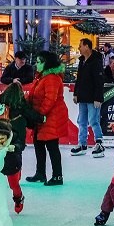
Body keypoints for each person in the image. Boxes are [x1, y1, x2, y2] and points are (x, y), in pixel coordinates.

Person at [0, 81, 43, 213]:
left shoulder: (2, 109)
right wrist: (41, 118)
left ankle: (4, 201)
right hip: (13, 151)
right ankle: (18, 199)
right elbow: (32, 116)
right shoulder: (22, 112)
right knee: (13, 182)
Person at [27, 51, 68, 187]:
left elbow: (50, 99)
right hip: (42, 117)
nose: (36, 64)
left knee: (52, 146)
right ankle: (40, 173)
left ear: (46, 63)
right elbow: (34, 96)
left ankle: (57, 176)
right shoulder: (42, 78)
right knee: (38, 144)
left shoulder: (51, 78)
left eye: (39, 62)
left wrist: (40, 114)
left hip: (51, 117)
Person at [71, 38, 106, 158]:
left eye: (80, 46)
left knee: (94, 120)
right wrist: (76, 93)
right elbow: (79, 79)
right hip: (83, 97)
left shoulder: (96, 61)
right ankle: (82, 144)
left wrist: (98, 97)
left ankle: (99, 143)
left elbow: (99, 80)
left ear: (87, 46)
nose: (79, 48)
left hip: (93, 98)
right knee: (82, 121)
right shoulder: (82, 61)